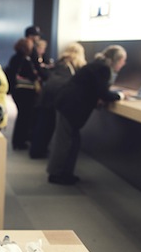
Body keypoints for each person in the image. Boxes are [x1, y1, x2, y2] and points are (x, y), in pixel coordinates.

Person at [47, 45, 127, 185]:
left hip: (67, 103)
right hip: (71, 106)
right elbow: (103, 93)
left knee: (69, 140)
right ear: (117, 60)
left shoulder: (96, 65)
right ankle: (57, 174)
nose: (124, 64)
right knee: (65, 142)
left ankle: (64, 173)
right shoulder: (103, 69)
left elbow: (93, 89)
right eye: (123, 61)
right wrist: (120, 95)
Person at [30, 42, 87, 159]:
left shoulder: (61, 62)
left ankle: (37, 150)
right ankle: (39, 151)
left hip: (47, 96)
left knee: (43, 125)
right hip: (55, 98)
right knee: (49, 127)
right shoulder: (72, 66)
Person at [6, 38, 42, 150]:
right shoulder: (25, 60)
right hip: (25, 92)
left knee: (21, 116)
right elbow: (32, 75)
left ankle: (18, 141)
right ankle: (20, 142)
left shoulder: (14, 58)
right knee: (24, 117)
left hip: (17, 91)